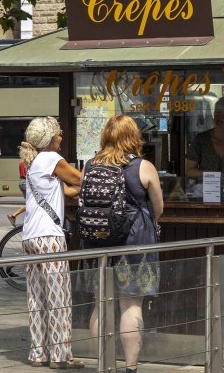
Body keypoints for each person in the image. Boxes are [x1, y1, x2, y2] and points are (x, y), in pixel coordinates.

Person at [83, 115, 164, 373]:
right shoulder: (143, 167)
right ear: (133, 137)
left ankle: (103, 365)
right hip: (135, 242)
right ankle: (130, 368)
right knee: (130, 305)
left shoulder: (90, 165)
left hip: (97, 242)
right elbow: (159, 209)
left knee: (101, 303)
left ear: (105, 136)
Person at [19, 116, 83, 369]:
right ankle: (59, 355)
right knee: (59, 297)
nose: (61, 137)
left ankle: (38, 354)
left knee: (36, 297)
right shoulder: (51, 159)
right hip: (49, 237)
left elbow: (65, 191)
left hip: (30, 237)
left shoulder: (35, 162)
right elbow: (77, 179)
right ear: (48, 138)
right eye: (58, 133)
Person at [185, 98, 224, 180]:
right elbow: (189, 171)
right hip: (207, 191)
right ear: (213, 114)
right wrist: (214, 175)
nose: (220, 117)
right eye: (218, 112)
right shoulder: (201, 139)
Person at [7, 160, 27, 227]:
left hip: (22, 182)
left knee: (30, 203)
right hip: (26, 182)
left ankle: (14, 216)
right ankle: (13, 215)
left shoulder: (21, 161)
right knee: (32, 203)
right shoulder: (29, 161)